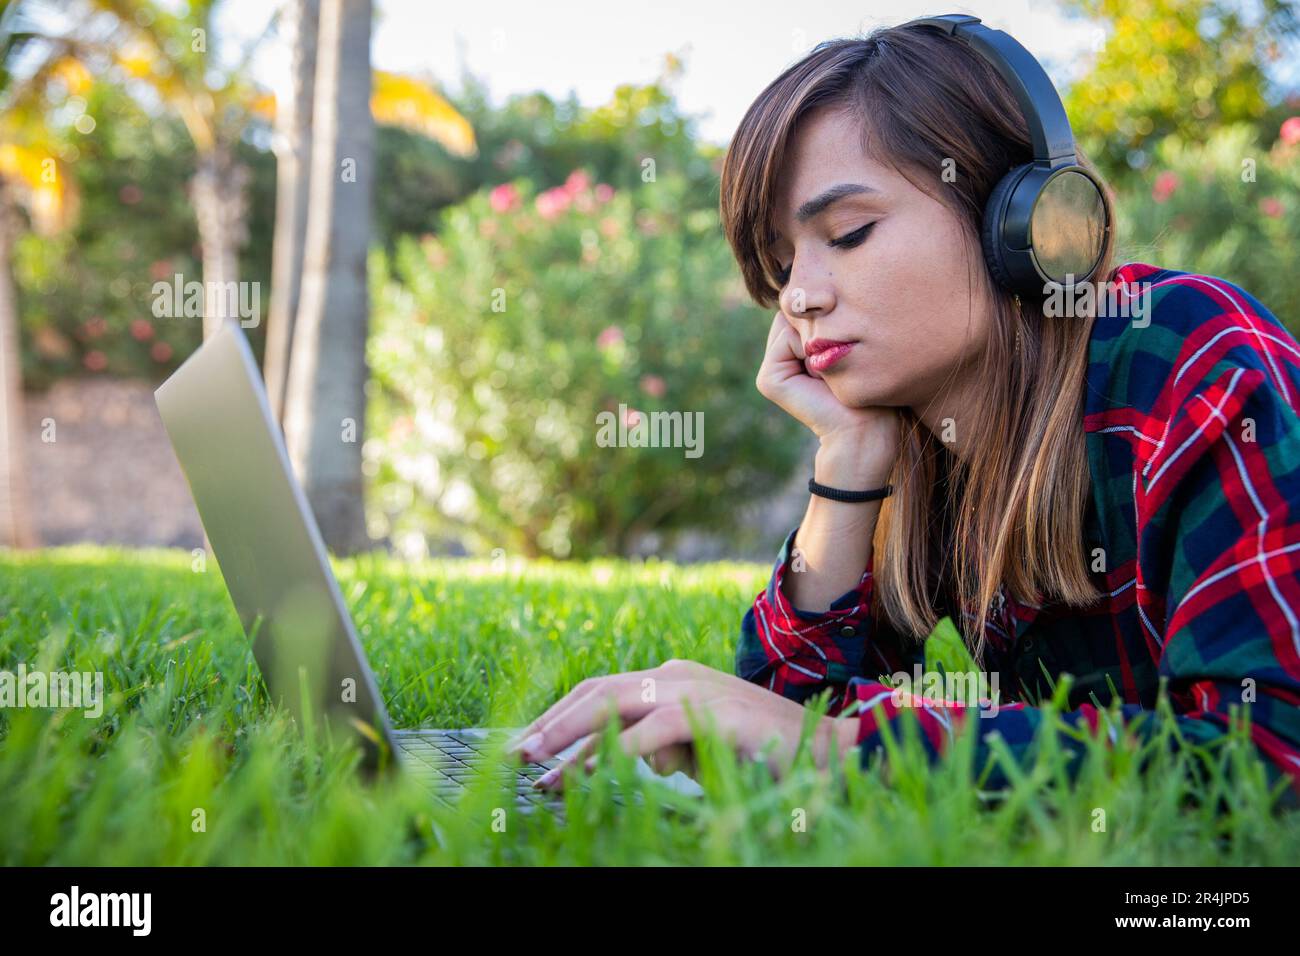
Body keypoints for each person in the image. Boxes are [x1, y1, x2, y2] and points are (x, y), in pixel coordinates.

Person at [508, 19, 1300, 809]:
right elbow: (785, 716)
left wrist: (849, 745)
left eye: (847, 234)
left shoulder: (1194, 355)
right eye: (782, 265)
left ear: (1025, 222)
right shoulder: (926, 438)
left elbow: (1264, 762)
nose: (799, 296)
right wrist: (849, 463)